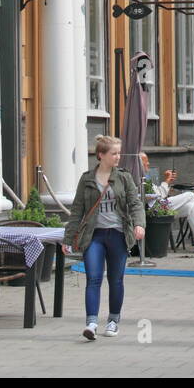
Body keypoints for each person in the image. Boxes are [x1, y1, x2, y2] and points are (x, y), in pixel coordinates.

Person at [63, 135, 145, 340]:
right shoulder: (87, 179)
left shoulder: (124, 177)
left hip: (117, 234)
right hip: (94, 236)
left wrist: (139, 224)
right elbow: (77, 211)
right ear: (101, 155)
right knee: (93, 278)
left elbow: (135, 203)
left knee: (115, 280)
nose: (118, 157)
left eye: (119, 153)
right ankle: (91, 322)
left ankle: (113, 321)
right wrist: (68, 238)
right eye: (114, 153)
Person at [141, 154, 194, 253]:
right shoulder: (139, 177)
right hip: (155, 208)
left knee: (190, 207)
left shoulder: (145, 176)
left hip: (158, 206)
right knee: (190, 195)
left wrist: (167, 181)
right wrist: (166, 180)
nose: (148, 164)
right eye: (145, 162)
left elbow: (157, 193)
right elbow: (159, 195)